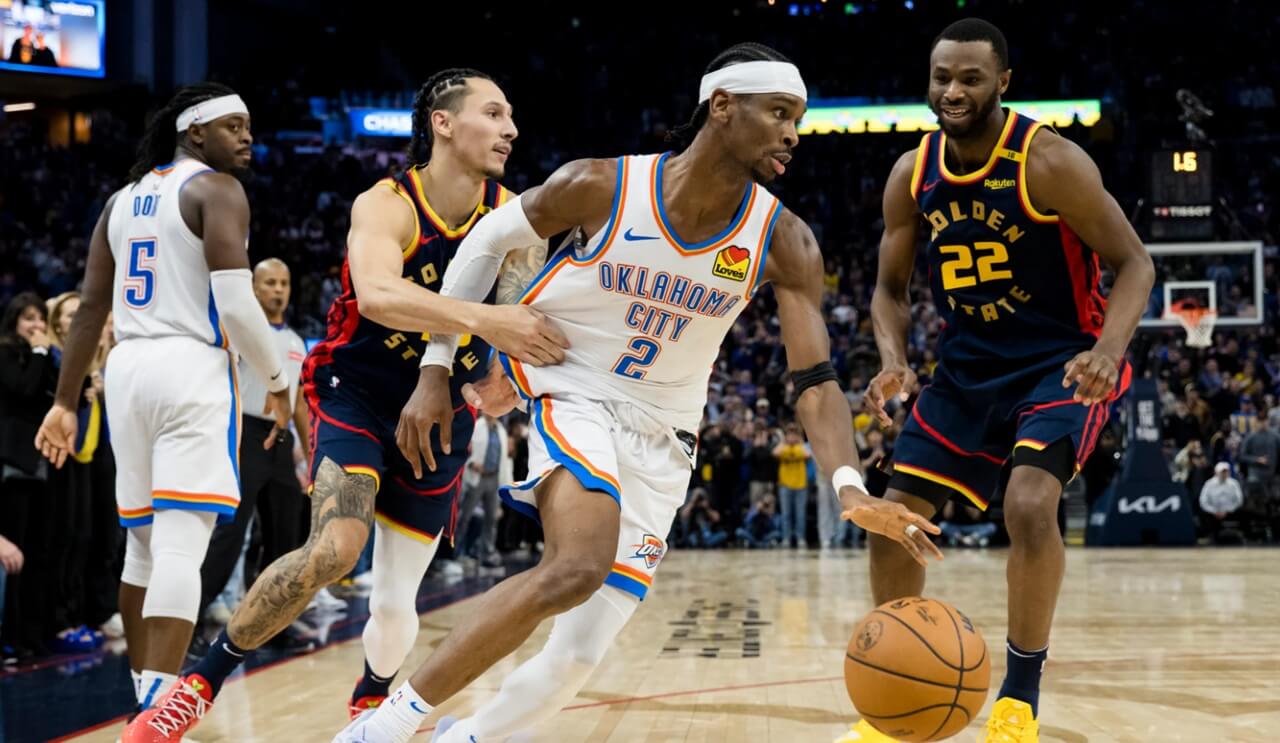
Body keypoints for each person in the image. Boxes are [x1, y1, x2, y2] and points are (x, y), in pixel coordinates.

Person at [336, 42, 941, 743]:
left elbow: (814, 380)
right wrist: (436, 367)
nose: (792, 134)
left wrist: (851, 488)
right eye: (779, 113)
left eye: (797, 119)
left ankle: (464, 738)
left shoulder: (786, 241)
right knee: (576, 565)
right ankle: (383, 728)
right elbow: (485, 244)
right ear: (722, 106)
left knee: (577, 656)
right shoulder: (601, 184)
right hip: (576, 389)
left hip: (667, 433)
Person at [140, 68, 565, 742]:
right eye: (493, 112)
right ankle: (198, 685)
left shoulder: (516, 217)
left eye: (511, 115)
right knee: (335, 548)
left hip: (444, 415)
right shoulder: (388, 203)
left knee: (395, 601)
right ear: (443, 123)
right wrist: (491, 323)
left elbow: (520, 324)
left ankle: (371, 702)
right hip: (356, 391)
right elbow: (378, 295)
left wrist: (505, 375)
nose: (511, 128)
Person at [849, 18, 1155, 742]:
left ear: (1004, 82)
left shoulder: (1049, 161)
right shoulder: (912, 172)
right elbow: (889, 289)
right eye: (941, 78)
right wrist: (893, 358)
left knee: (1030, 503)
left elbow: (1136, 263)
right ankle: (893, 698)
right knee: (892, 522)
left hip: (1059, 364)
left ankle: (1019, 697)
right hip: (965, 369)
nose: (952, 91)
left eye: (970, 78)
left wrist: (1108, 351)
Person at [33, 82, 293, 734]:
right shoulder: (216, 190)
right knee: (181, 543)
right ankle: (158, 712)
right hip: (188, 365)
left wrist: (65, 401)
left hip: (128, 369)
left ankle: (143, 699)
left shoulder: (120, 200)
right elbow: (236, 304)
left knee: (142, 549)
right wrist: (276, 376)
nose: (248, 137)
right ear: (194, 132)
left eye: (250, 126)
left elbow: (90, 309)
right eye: (234, 126)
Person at [196, 258, 311, 628]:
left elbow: (299, 403)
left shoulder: (296, 342)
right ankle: (192, 619)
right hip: (244, 435)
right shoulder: (240, 333)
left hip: (281, 441)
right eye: (270, 283)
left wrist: (310, 455)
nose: (278, 290)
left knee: (286, 538)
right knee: (230, 535)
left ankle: (271, 624)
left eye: (283, 283)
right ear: (254, 288)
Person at [1198, 462, 1244, 543]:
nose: (1224, 474)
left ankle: (1241, 536)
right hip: (1213, 513)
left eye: (1226, 472)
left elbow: (1239, 500)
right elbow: (1203, 501)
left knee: (1244, 512)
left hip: (1230, 512)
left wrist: (1227, 511)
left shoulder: (1234, 484)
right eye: (1222, 472)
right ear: (1216, 473)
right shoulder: (1209, 484)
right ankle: (1209, 536)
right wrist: (1214, 511)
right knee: (1203, 514)